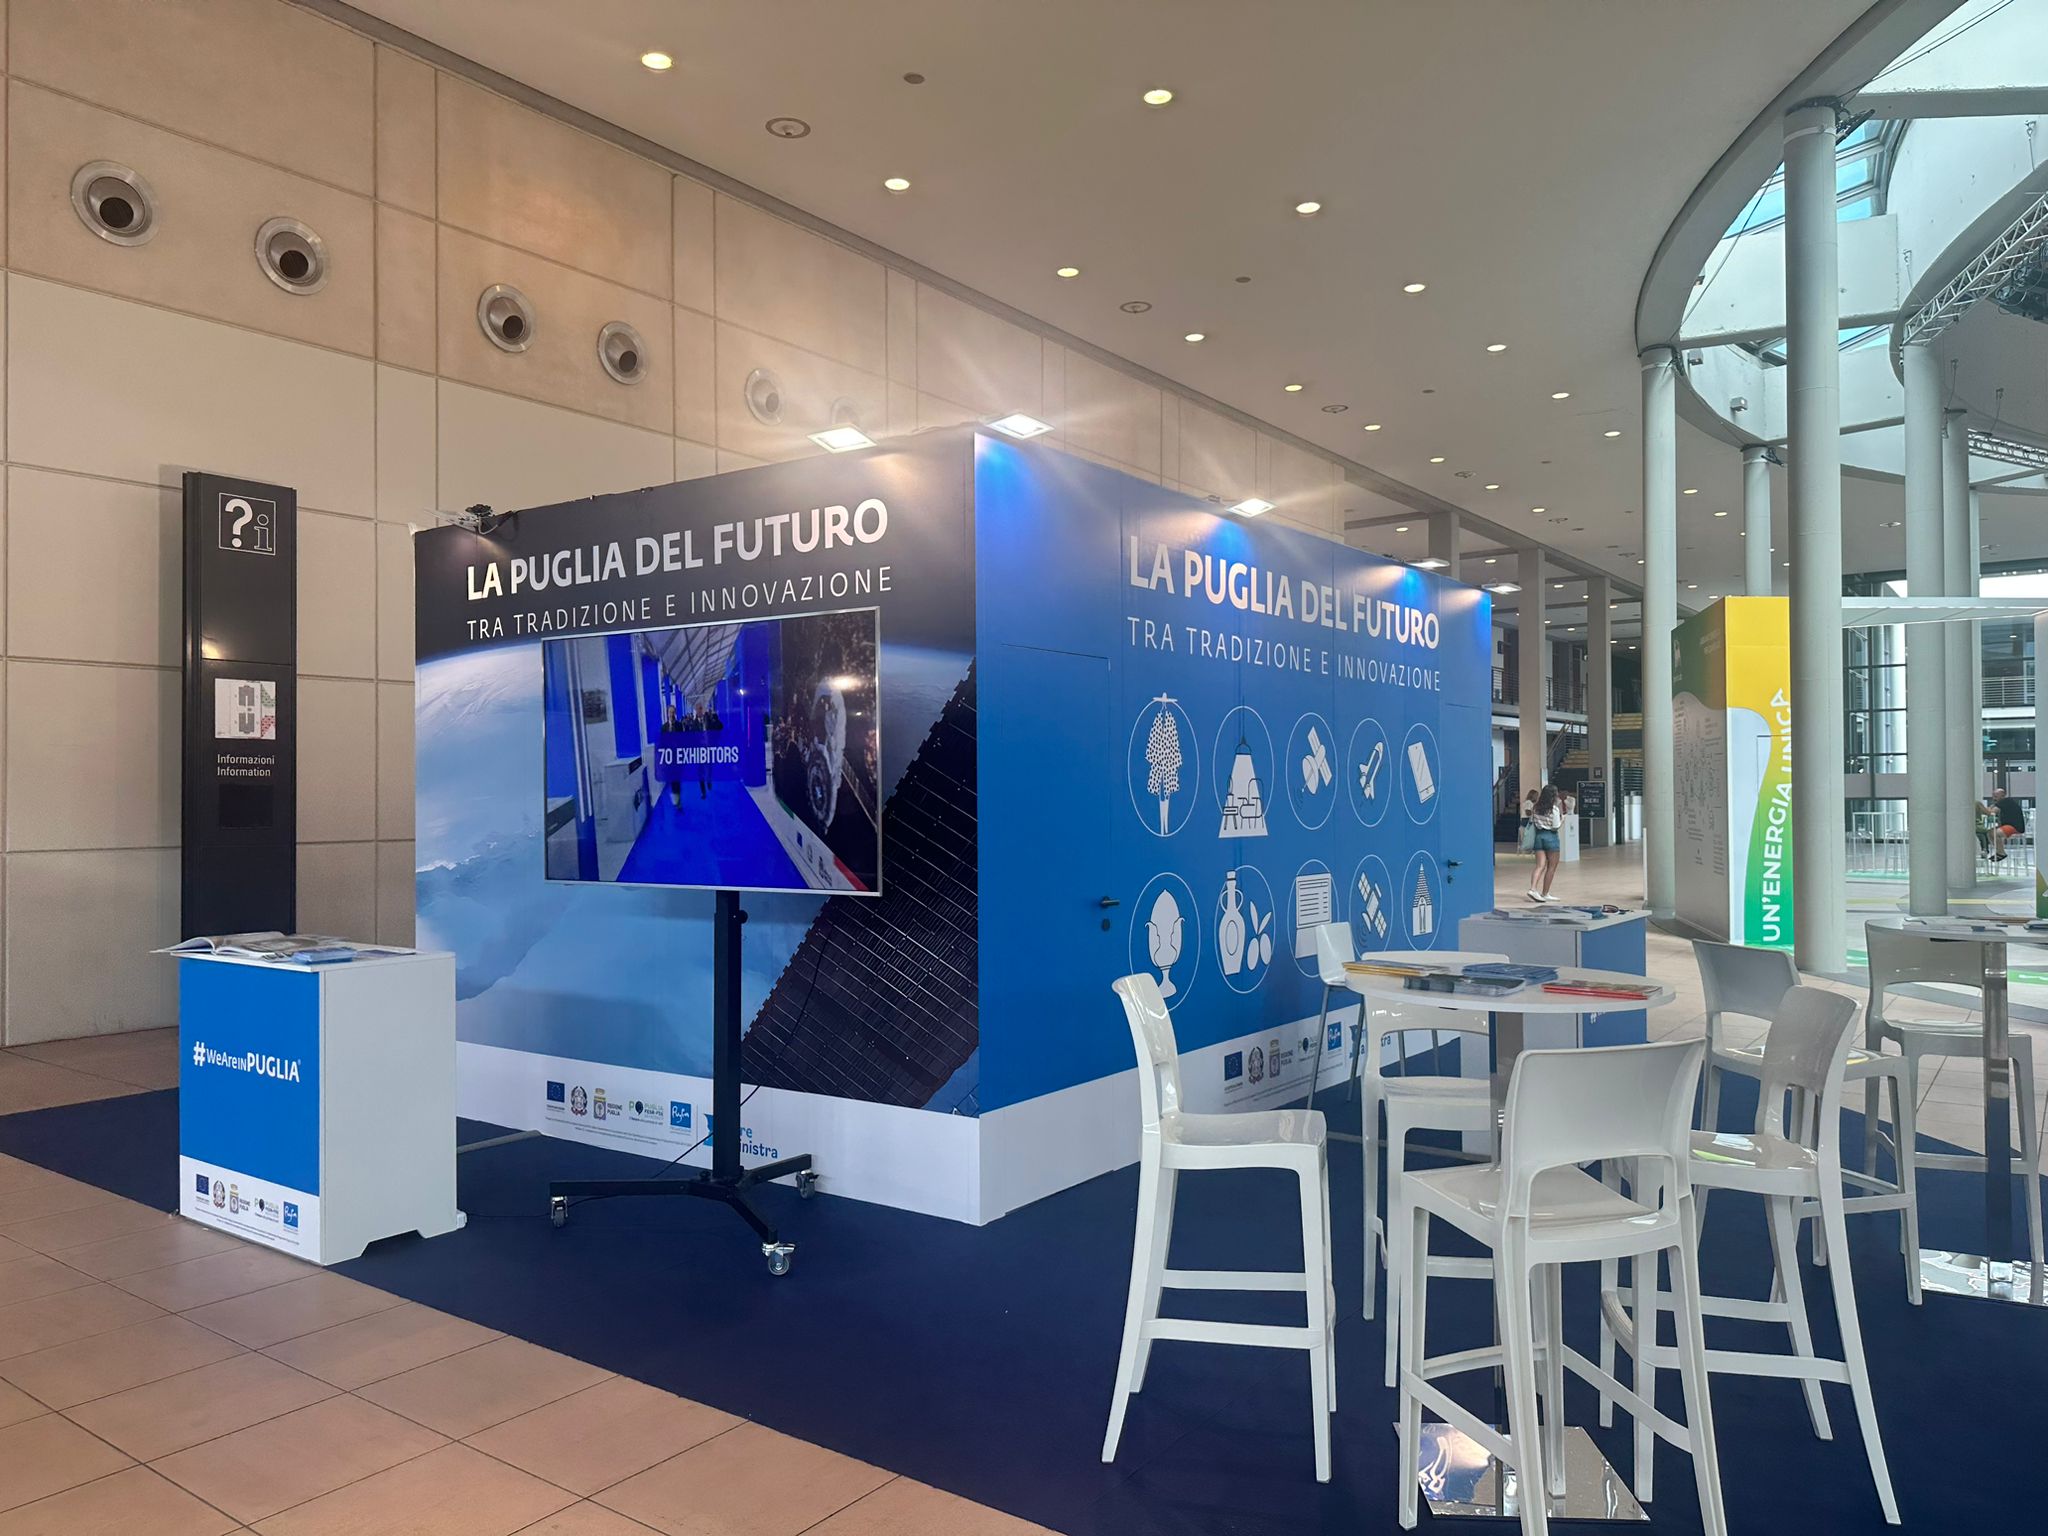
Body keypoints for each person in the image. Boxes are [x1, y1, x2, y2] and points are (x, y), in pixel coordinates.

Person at [1528, 783, 1567, 901]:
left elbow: (1532, 821)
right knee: (1551, 867)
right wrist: (1562, 819)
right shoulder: (1554, 809)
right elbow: (1555, 826)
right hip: (1551, 837)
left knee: (1540, 865)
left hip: (1539, 836)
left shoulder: (1535, 808)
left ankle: (1532, 889)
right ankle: (1545, 893)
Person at [1992, 785, 2028, 862]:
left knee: (1995, 833)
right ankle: (1999, 851)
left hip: (2015, 827)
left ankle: (2001, 853)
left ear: (2002, 796)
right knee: (1990, 833)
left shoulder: (2005, 801)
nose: (1994, 798)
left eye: (1996, 796)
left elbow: (1993, 811)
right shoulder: (2005, 802)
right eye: (1993, 796)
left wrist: (1981, 809)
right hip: (2009, 825)